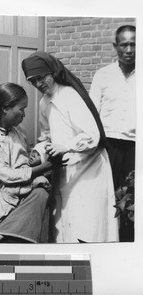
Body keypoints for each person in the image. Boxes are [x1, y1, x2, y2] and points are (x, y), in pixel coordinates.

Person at [22, 51, 118, 243]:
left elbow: (92, 135)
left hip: (89, 168)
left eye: (41, 78)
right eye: (33, 81)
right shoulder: (44, 103)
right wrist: (41, 150)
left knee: (87, 223)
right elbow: (47, 134)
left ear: (52, 73)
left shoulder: (70, 96)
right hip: (65, 168)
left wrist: (65, 146)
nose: (39, 84)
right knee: (65, 221)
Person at [0, 82, 64, 243]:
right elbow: (6, 176)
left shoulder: (19, 130)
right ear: (5, 109)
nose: (24, 114)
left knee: (42, 192)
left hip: (22, 188)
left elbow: (24, 163)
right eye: (21, 109)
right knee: (36, 199)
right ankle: (4, 231)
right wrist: (45, 167)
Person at [89, 25, 135, 242]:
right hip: (109, 145)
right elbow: (93, 113)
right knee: (108, 196)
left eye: (134, 44)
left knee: (132, 198)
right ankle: (107, 241)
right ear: (115, 46)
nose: (129, 49)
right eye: (124, 44)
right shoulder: (103, 75)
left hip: (136, 146)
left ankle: (129, 242)